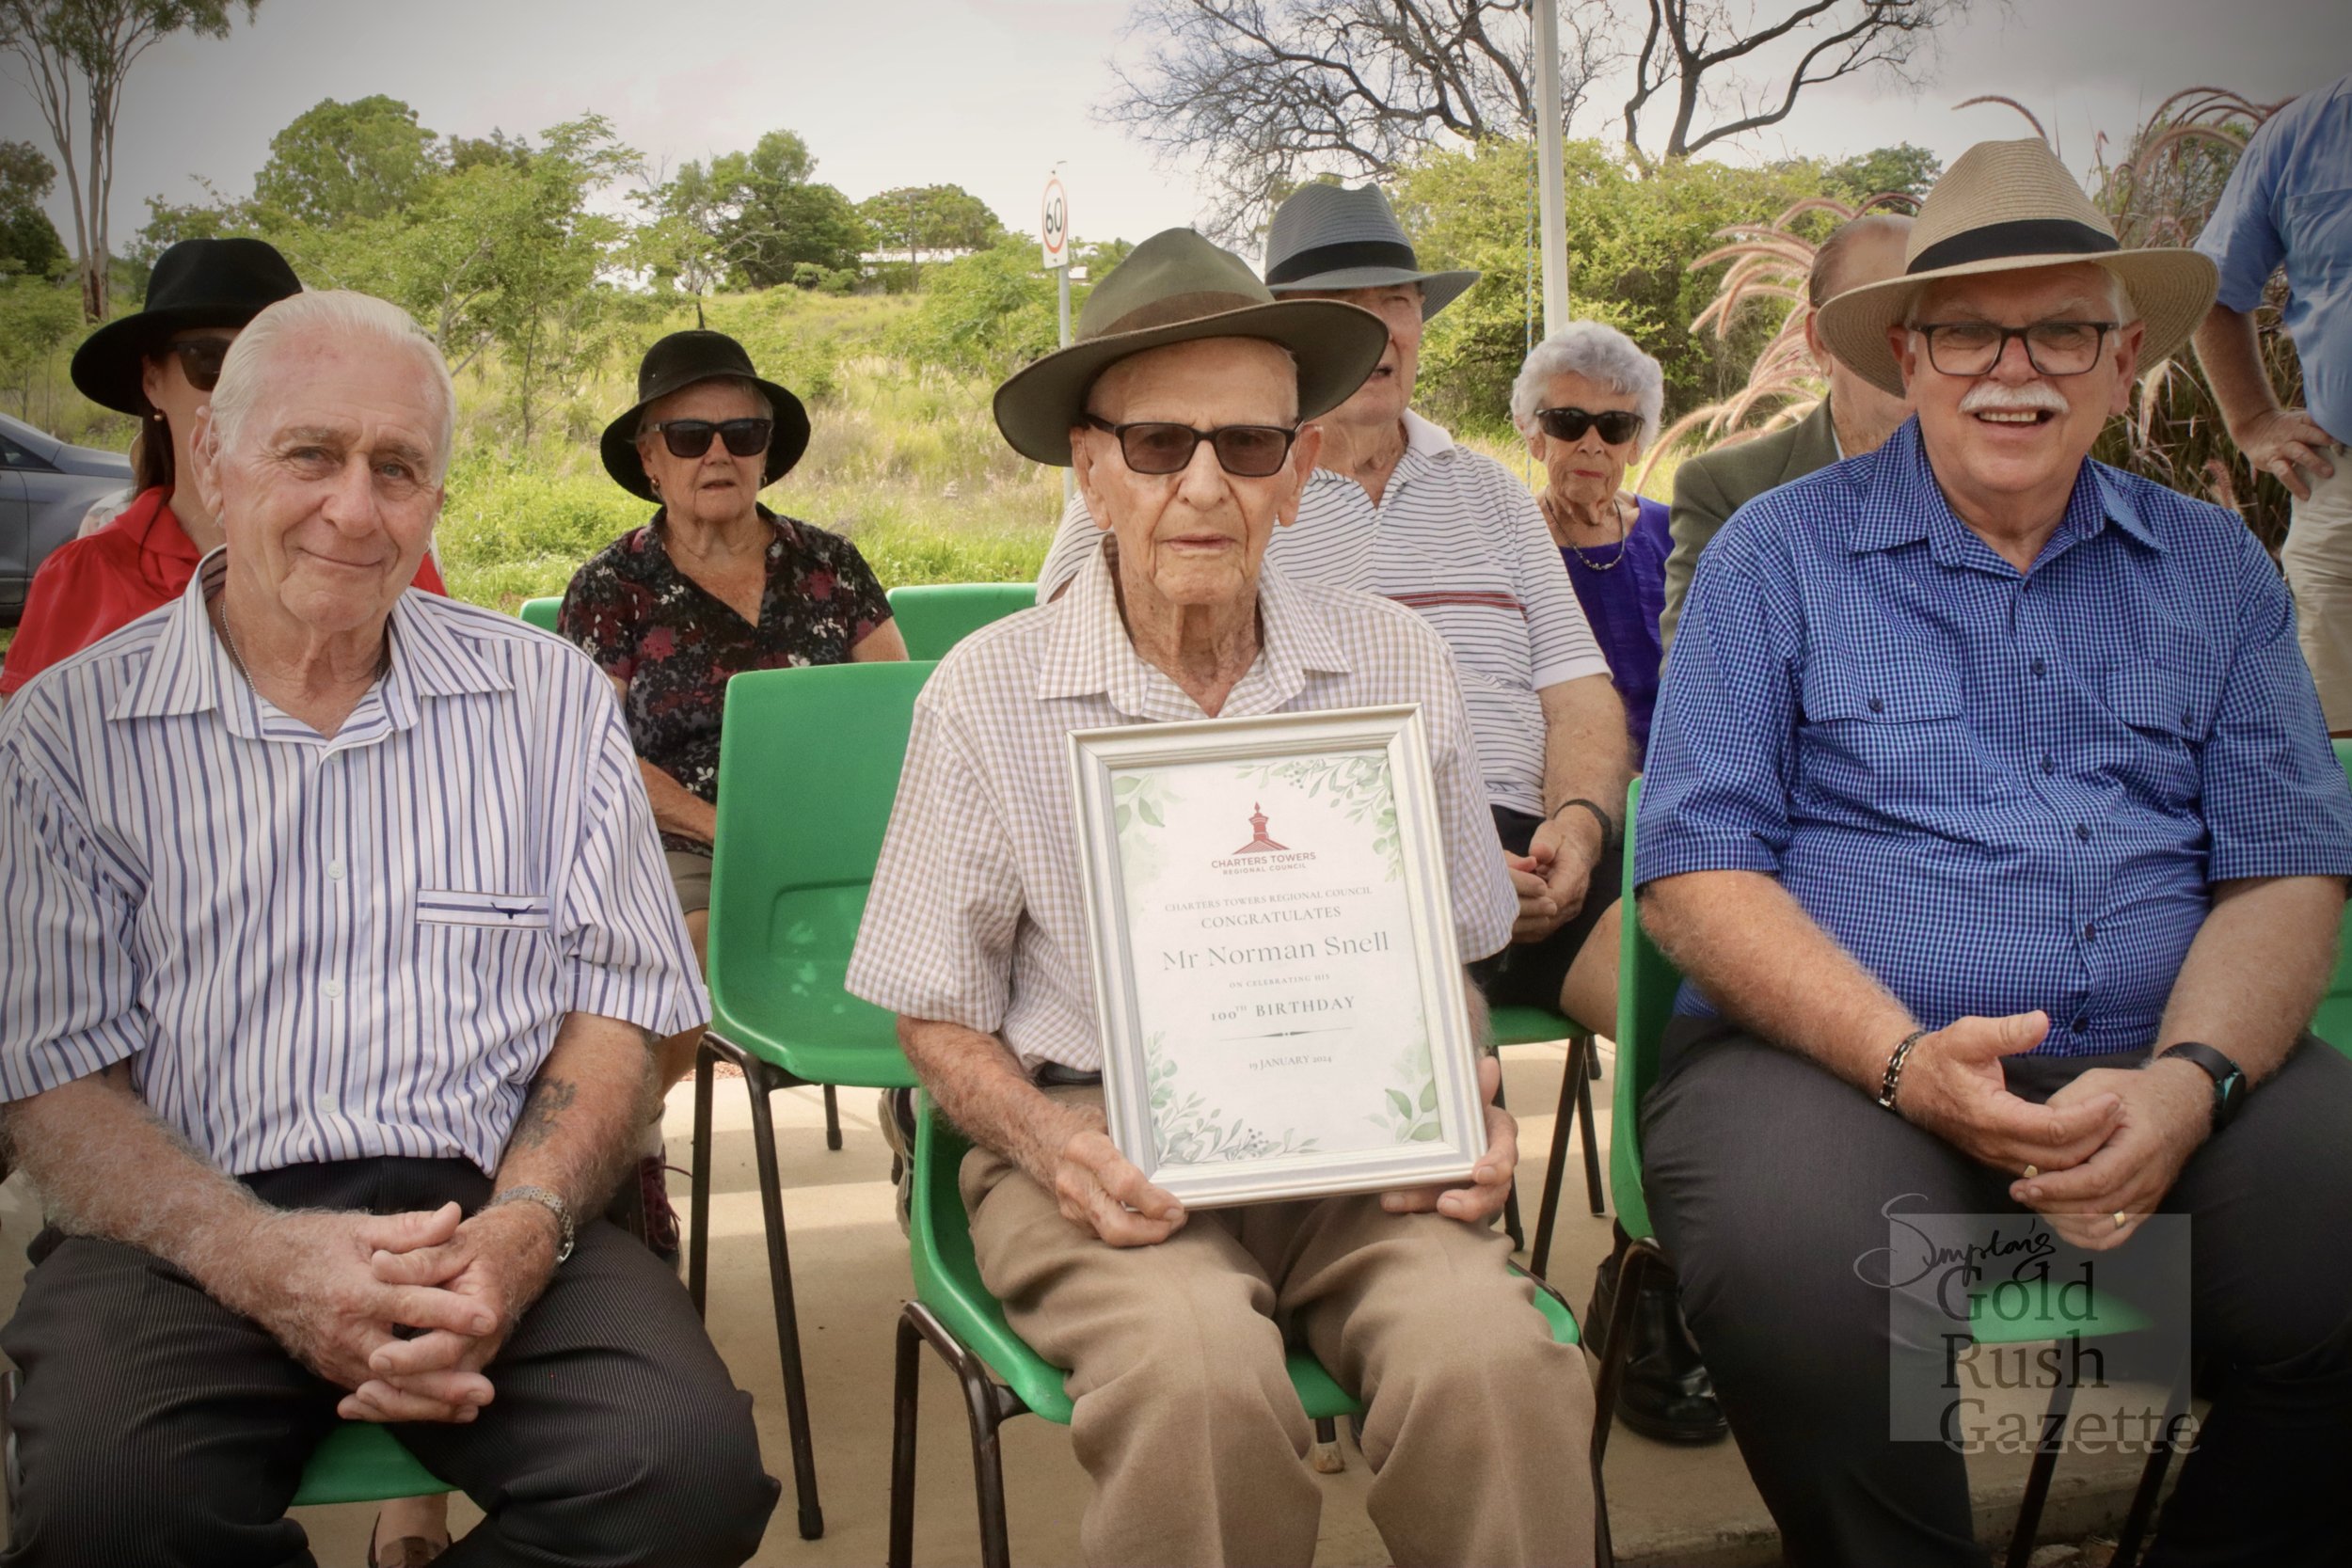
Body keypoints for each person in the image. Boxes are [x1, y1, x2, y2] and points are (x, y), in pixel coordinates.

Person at [1638, 137, 2352, 1567]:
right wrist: (1908, 1062)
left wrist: (2187, 1080)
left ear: (2124, 352)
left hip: (2159, 1065)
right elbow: (1696, 865)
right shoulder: (1771, 558)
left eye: (2062, 328)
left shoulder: (2215, 571)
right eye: (1967, 327)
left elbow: (2283, 863)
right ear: (1909, 351)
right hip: (1840, 1070)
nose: (2010, 367)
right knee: (1806, 1281)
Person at [849, 229, 1597, 1568]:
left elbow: (1451, 957)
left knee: (1499, 1360)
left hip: (1358, 1140)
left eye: (1249, 446)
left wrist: (1472, 1095)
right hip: (1092, 1136)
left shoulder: (1395, 660)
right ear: (1088, 466)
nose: (1204, 483)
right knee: (1197, 1382)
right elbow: (933, 1016)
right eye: (1155, 446)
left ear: (1299, 471)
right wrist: (1041, 1138)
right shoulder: (989, 690)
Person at [0, 290, 779, 1568]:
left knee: (679, 1473)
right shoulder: (69, 734)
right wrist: (255, 1255)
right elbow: (52, 1080)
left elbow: (615, 1007)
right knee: (107, 1510)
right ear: (213, 456)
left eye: (397, 467)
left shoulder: (546, 702)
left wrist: (524, 1228)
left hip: (490, 1200)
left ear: (434, 496)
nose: (354, 510)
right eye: (310, 453)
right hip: (183, 1226)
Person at [1037, 182, 1629, 1053]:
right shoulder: (1209, 485)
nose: (1382, 332)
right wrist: (1432, 868)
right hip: (1316, 876)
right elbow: (1076, 668)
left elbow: (1579, 694)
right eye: (1346, 309)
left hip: (1535, 863)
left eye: (1397, 303)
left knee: (1684, 1005)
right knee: (1373, 1042)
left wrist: (1575, 828)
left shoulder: (1496, 496)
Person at [558, 328, 907, 1255]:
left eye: (742, 432)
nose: (718, 451)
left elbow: (898, 712)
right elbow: (598, 760)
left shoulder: (829, 566)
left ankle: (946, 1147)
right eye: (689, 435)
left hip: (842, 844)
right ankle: (623, 1154)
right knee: (683, 948)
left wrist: (834, 834)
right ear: (648, 456)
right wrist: (734, 831)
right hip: (682, 844)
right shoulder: (611, 588)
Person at [1, 237, 447, 702]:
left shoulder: (377, 555)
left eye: (273, 364)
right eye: (210, 360)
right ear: (152, 381)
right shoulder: (82, 579)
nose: (241, 385)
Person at [1659, 213, 1914, 655]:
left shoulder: (2005, 482)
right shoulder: (1729, 493)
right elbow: (1706, 689)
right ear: (1821, 343)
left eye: (1938, 318)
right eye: (1877, 317)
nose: (1910, 345)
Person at [2193, 72, 2351, 733]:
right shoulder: (2305, 134)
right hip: (2344, 485)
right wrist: (2253, 419)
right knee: (2333, 722)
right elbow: (2212, 286)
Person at [1512, 321, 1673, 756]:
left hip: (1679, 779)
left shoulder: (1676, 536)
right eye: (1568, 422)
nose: (1592, 444)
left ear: (1636, 444)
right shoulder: (1509, 544)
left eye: (1615, 426)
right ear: (1532, 434)